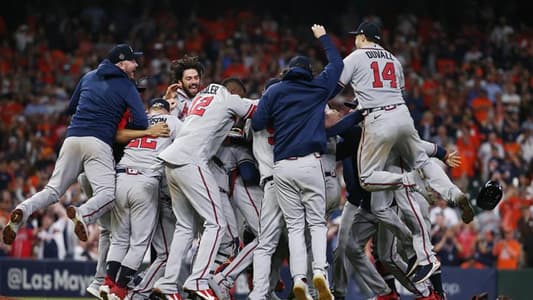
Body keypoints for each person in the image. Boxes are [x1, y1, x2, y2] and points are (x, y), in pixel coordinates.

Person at [3, 44, 148, 245]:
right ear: (122, 64)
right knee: (107, 194)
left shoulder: (89, 76)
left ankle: (23, 209)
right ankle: (83, 213)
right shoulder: (126, 85)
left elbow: (71, 107)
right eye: (133, 61)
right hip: (99, 142)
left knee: (53, 191)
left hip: (72, 138)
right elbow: (142, 122)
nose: (136, 64)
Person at [335, 20, 474, 225]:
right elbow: (397, 94)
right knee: (423, 162)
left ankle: (406, 180)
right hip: (402, 114)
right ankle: (455, 193)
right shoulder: (394, 60)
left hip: (378, 118)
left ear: (363, 37)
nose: (355, 39)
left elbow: (335, 86)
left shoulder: (355, 57)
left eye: (357, 35)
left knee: (367, 178)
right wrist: (441, 153)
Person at [252, 24, 342, 300]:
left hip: (282, 167)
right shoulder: (317, 88)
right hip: (310, 163)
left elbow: (257, 123)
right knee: (315, 224)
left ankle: (299, 279)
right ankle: (319, 273)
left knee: (293, 227)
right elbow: (337, 64)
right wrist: (323, 38)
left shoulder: (275, 91)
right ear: (308, 72)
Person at [152, 79, 256, 300]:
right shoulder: (229, 98)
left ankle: (169, 283)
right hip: (192, 161)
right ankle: (198, 280)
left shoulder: (200, 98)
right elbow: (260, 109)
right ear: (235, 92)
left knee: (185, 227)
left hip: (171, 159)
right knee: (217, 224)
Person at [99, 98, 181, 300]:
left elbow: (118, 136)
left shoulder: (139, 120)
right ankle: (119, 290)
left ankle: (107, 283)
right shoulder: (172, 121)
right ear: (167, 108)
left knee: (118, 239)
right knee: (139, 243)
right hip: (145, 181)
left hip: (121, 177)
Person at [164, 55, 205, 121]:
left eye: (196, 78)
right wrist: (166, 103)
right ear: (180, 82)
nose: (193, 82)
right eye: (189, 79)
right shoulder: (175, 101)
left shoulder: (204, 98)